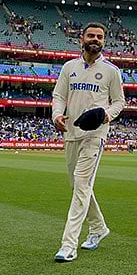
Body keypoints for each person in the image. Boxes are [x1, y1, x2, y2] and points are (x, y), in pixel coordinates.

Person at [52, 22, 126, 262]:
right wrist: (56, 115)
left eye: (100, 37)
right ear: (81, 39)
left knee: (81, 185)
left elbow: (119, 101)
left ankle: (68, 245)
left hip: (96, 135)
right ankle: (98, 228)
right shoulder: (69, 67)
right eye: (91, 35)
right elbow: (59, 95)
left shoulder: (111, 71)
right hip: (71, 133)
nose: (96, 39)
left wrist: (105, 115)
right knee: (77, 186)